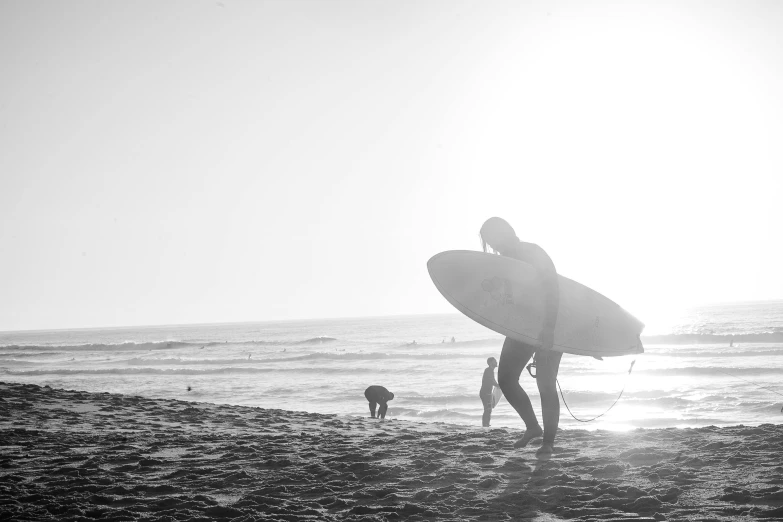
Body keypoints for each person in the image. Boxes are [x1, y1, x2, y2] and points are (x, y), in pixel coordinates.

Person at [479, 217, 561, 457]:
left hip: (549, 325)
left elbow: (553, 291)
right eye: (489, 242)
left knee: (545, 385)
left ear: (506, 232)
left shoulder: (533, 252)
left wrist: (548, 328)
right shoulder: (502, 262)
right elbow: (507, 300)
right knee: (505, 379)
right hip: (521, 329)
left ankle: (548, 442)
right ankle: (533, 427)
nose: (493, 245)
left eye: (494, 239)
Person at [480, 357, 499, 427]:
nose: (496, 362)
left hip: (487, 393)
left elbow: (493, 380)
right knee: (487, 409)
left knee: (489, 409)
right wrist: (497, 385)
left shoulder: (490, 370)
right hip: (485, 393)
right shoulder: (488, 370)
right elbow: (491, 380)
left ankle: (486, 424)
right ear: (491, 363)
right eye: (495, 361)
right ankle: (485, 424)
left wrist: (497, 385)